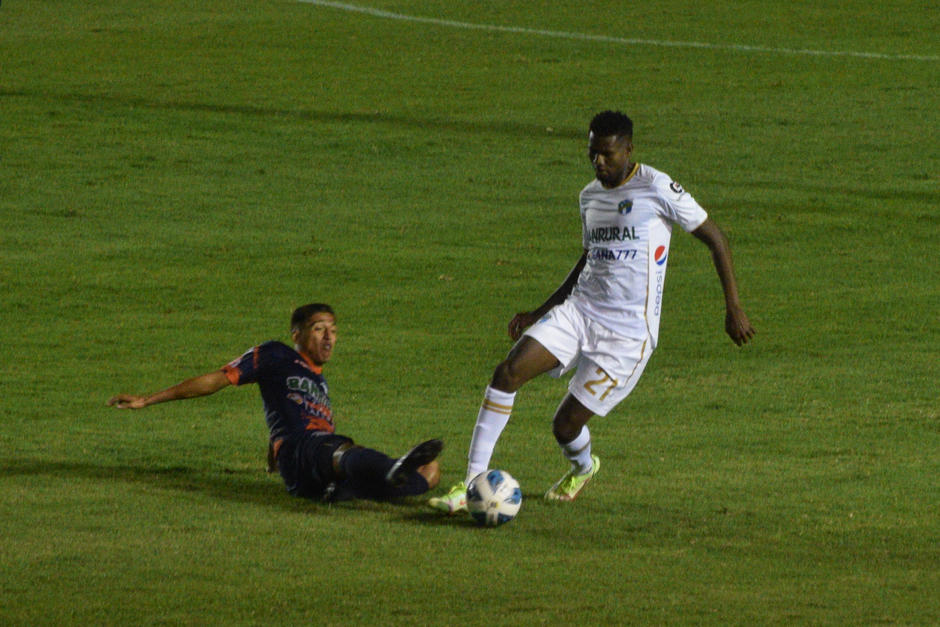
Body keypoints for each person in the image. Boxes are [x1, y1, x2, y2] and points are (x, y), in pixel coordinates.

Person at [430, 111, 755, 513]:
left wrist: (733, 307)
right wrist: (541, 311)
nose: (599, 162)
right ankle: (471, 483)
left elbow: (716, 239)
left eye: (607, 154)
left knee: (565, 426)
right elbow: (589, 258)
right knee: (507, 372)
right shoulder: (590, 196)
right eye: (592, 154)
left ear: (629, 150)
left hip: (627, 335)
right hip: (580, 312)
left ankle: (583, 467)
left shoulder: (657, 188)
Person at [108, 303, 443, 502]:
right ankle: (392, 468)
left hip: (312, 477)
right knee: (339, 450)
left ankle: (402, 477)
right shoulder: (275, 354)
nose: (329, 337)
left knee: (420, 478)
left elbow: (281, 414)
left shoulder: (317, 380)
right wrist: (148, 400)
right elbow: (215, 380)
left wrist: (271, 458)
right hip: (307, 453)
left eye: (333, 330)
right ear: (296, 334)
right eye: (318, 329)